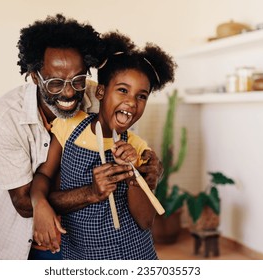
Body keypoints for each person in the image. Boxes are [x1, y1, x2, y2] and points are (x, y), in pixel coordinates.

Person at [0, 14, 163, 260]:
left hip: (68, 236)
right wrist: (91, 192)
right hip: (7, 227)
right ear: (35, 77)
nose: (69, 92)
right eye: (55, 83)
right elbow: (25, 203)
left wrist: (151, 166)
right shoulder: (6, 115)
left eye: (78, 79)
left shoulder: (97, 94)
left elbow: (127, 136)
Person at [30, 32, 177, 259]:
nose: (131, 102)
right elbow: (44, 176)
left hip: (135, 254)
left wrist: (132, 175)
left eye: (142, 96)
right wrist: (39, 204)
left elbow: (146, 220)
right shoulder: (69, 126)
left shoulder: (137, 147)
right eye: (122, 90)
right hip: (82, 256)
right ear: (100, 92)